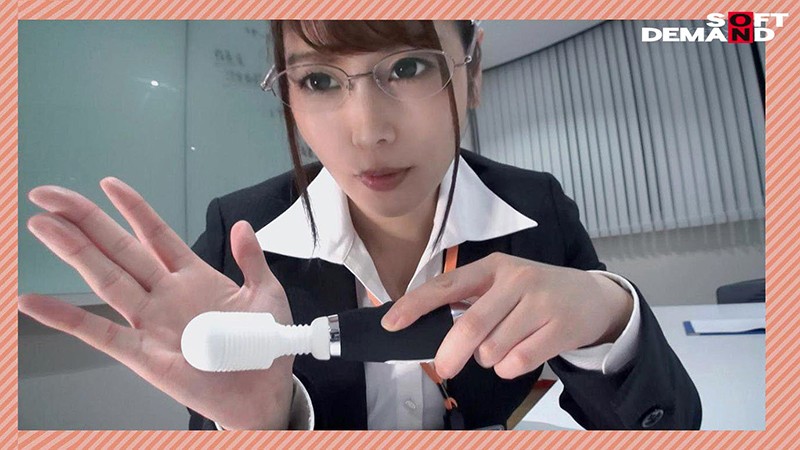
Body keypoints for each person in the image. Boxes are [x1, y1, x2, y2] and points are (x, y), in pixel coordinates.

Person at [19, 20, 701, 430]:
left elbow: (663, 425)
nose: (367, 131)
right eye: (319, 80)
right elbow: (219, 412)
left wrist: (612, 318)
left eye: (409, 66)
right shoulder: (240, 233)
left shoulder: (537, 207)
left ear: (472, 71)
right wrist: (262, 425)